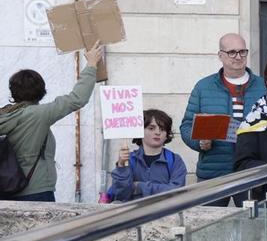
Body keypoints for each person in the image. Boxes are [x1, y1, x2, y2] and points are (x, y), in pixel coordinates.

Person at [0, 43, 103, 201]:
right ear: (41, 91)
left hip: (6, 189)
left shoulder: (6, 115)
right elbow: (77, 99)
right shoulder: (39, 114)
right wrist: (91, 65)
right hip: (35, 189)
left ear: (13, 92)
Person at [180, 34, 267, 206]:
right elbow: (186, 126)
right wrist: (199, 142)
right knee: (207, 226)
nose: (238, 57)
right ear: (220, 56)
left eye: (242, 52)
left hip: (252, 172)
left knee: (254, 226)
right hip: (213, 172)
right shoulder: (203, 87)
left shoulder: (263, 86)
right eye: (232, 52)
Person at [106, 109, 187, 201]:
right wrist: (121, 167)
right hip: (135, 213)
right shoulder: (130, 160)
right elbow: (121, 196)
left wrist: (139, 187)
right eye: (151, 128)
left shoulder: (175, 160)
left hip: (165, 213)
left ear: (167, 135)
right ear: (140, 131)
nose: (158, 132)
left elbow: (176, 192)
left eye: (162, 129)